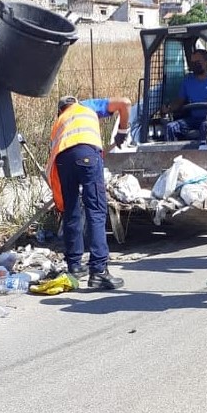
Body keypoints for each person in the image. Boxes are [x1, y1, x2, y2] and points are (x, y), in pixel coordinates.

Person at [46, 95, 131, 290]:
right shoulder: (86, 106)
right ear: (74, 103)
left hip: (63, 160)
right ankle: (99, 271)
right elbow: (125, 103)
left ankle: (75, 266)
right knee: (96, 210)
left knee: (72, 210)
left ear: (60, 110)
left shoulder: (59, 122)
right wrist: (122, 130)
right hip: (87, 156)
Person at [160, 48, 207, 141]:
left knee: (205, 127)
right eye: (193, 63)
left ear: (206, 61)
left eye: (198, 62)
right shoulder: (187, 81)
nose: (195, 65)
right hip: (193, 119)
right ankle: (171, 154)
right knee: (171, 127)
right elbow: (179, 101)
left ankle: (203, 154)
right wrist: (169, 108)